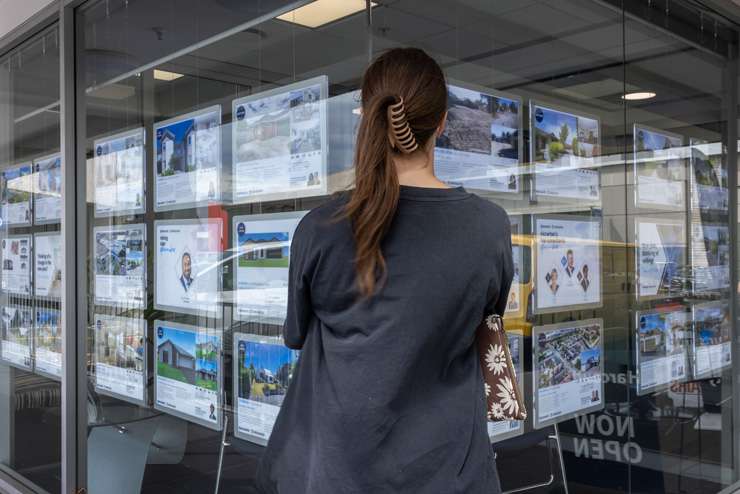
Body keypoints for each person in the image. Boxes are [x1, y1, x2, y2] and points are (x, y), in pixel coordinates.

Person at [257, 48, 514, 494]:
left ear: (367, 115)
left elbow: (296, 334)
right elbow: (487, 319)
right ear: (442, 123)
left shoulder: (321, 228)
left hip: (341, 473)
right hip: (453, 471)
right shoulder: (489, 227)